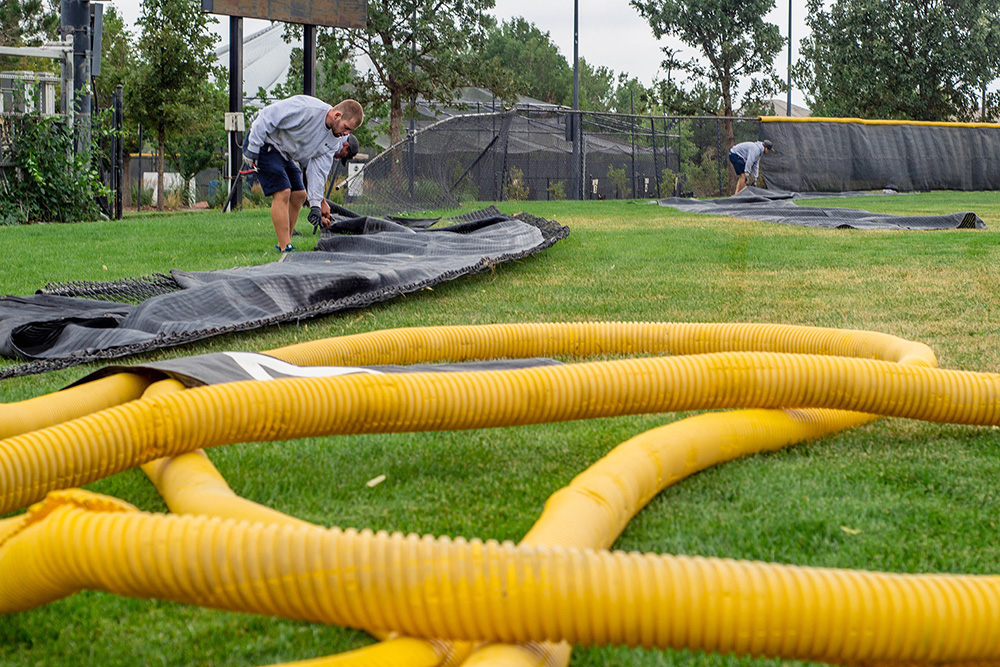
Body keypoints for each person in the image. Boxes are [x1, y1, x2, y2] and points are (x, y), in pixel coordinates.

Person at [242, 95, 364, 252]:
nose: (346, 134)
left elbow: (318, 171)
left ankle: (285, 241)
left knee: (299, 194)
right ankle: (285, 247)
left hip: (285, 154)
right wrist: (252, 149)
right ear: (337, 115)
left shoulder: (333, 141)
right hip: (265, 143)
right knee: (283, 191)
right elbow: (267, 115)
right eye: (346, 128)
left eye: (350, 131)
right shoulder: (307, 109)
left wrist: (315, 205)